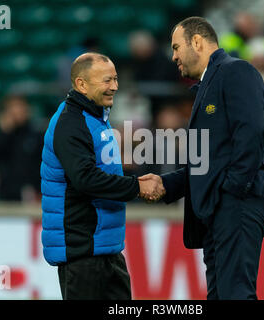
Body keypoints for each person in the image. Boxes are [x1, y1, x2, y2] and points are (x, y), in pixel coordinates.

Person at [139, 17, 264, 300]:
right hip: (218, 211)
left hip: (235, 206)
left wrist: (231, 191)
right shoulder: (210, 84)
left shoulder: (236, 71)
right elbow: (204, 163)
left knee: (235, 295)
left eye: (176, 47)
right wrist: (166, 183)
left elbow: (251, 134)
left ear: (197, 42)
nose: (173, 56)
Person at [40, 52, 164, 300]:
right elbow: (85, 179)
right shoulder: (71, 123)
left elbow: (98, 172)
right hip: (83, 253)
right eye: (106, 80)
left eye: (116, 79)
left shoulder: (94, 118)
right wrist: (137, 187)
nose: (114, 87)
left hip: (105, 249)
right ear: (81, 84)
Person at [0, 96, 43, 202]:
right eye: (13, 108)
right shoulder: (0, 135)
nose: (17, 112)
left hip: (30, 191)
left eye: (20, 107)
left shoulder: (36, 135)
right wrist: (5, 132)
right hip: (6, 191)